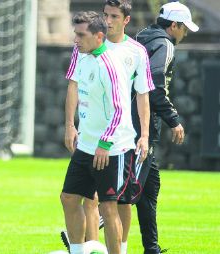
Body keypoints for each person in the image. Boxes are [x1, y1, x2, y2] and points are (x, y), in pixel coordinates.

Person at [62, 1, 154, 253]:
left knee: (109, 206)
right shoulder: (81, 56)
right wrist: (70, 125)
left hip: (112, 148)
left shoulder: (110, 65)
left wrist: (105, 143)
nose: (76, 39)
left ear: (97, 36)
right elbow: (73, 86)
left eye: (81, 35)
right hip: (87, 145)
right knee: (69, 198)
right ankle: (78, 251)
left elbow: (120, 109)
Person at [132, 1, 198, 253]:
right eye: (184, 29)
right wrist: (173, 119)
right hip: (142, 126)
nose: (185, 34)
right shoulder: (165, 44)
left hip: (133, 120)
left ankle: (152, 248)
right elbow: (154, 87)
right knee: (130, 189)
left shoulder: (142, 38)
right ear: (174, 25)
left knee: (149, 188)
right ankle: (87, 230)